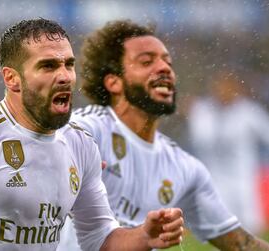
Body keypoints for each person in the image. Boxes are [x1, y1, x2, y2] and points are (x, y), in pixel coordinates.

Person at [0, 18, 184, 251]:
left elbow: (99, 238)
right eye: (48, 65)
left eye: (69, 64)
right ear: (12, 78)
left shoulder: (81, 145)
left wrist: (144, 236)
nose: (65, 76)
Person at [57, 20, 269, 251]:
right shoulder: (87, 130)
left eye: (167, 61)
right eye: (147, 62)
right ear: (114, 82)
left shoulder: (185, 169)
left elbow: (242, 244)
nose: (164, 68)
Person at [187, 71, 269, 234]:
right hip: (215, 179)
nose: (223, 92)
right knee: (220, 227)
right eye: (219, 88)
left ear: (236, 89)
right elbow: (199, 141)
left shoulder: (247, 111)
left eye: (227, 88)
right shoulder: (203, 111)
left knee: (251, 224)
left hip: (243, 178)